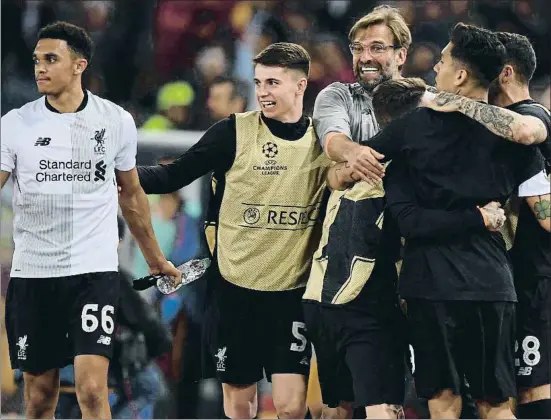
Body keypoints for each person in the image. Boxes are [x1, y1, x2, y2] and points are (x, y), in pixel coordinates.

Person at [136, 42, 331, 419]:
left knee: (291, 408)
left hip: (291, 292)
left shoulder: (323, 140)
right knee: (240, 407)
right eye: (258, 82)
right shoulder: (233, 133)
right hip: (234, 291)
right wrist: (120, 176)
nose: (263, 92)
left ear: (300, 85)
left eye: (273, 82)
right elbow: (173, 175)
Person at [0, 21, 180, 419]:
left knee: (93, 388)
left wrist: (155, 258)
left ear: (79, 65)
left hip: (92, 273)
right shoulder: (15, 125)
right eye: (36, 60)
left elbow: (131, 195)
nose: (39, 69)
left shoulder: (115, 121)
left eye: (51, 59)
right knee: (41, 395)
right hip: (34, 274)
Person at [365, 23, 544, 419]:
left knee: (443, 405)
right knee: (496, 406)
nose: (434, 71)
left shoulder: (411, 130)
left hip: (430, 285)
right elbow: (533, 149)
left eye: (442, 62)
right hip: (492, 283)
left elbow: (355, 165)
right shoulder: (511, 138)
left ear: (460, 75)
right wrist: (480, 216)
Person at [302, 6, 411, 419]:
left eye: (378, 47)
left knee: (394, 402)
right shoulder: (337, 95)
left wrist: (347, 174)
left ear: (401, 54)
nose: (365, 56)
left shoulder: (420, 104)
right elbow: (332, 141)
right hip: (337, 269)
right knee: (336, 407)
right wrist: (353, 157)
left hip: (401, 272)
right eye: (358, 47)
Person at [486, 32, 550, 419]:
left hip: (535, 276)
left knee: (532, 389)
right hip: (517, 277)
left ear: (505, 72)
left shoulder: (530, 122)